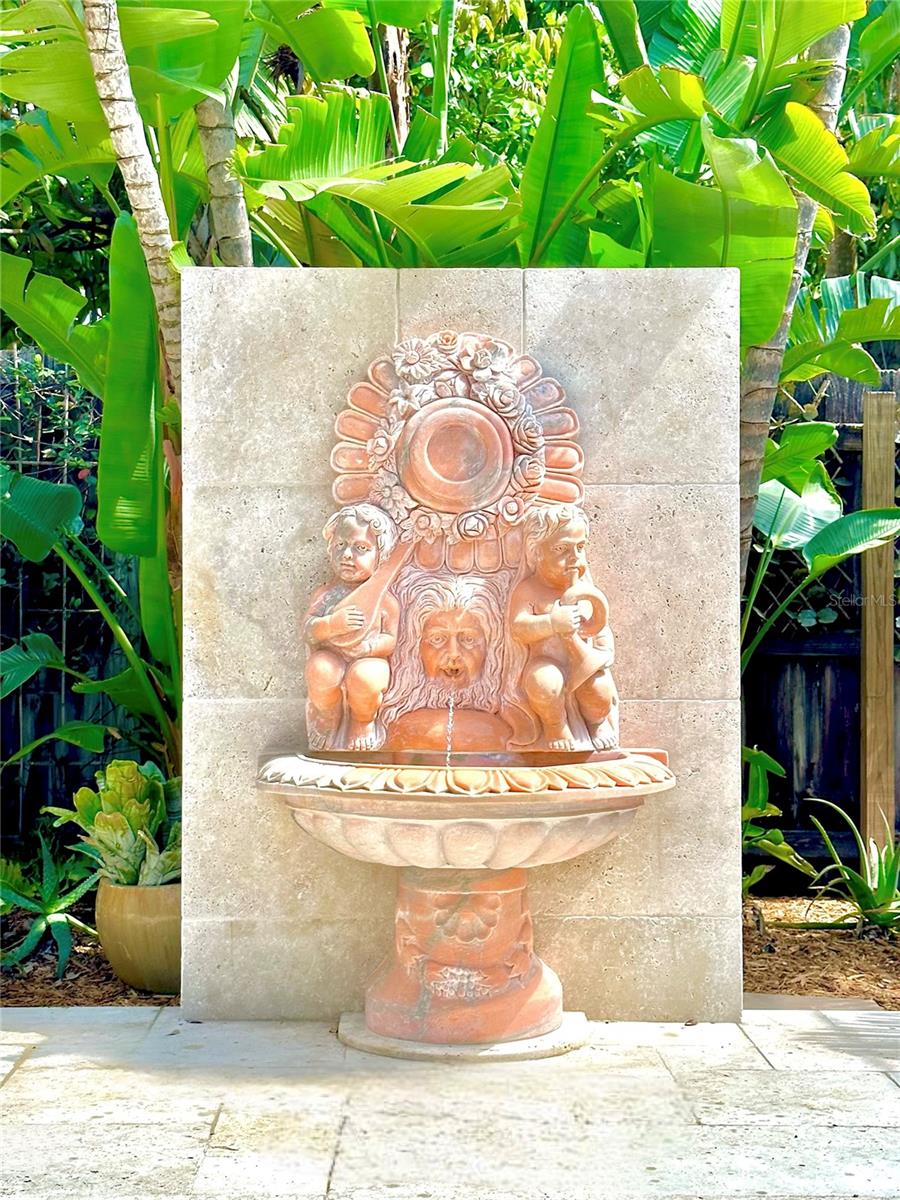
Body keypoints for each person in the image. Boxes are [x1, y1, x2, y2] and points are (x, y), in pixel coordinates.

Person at [509, 505, 618, 751]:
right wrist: (551, 623)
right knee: (544, 683)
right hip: (547, 662)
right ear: (536, 552)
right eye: (562, 549)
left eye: (580, 547)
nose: (574, 558)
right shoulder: (529, 590)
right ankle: (555, 726)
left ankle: (598, 723)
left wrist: (603, 652)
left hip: (583, 662)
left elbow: (600, 627)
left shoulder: (586, 592)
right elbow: (518, 628)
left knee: (599, 690)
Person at [303, 504, 399, 751]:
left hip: (367, 659)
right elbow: (308, 631)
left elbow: (391, 638)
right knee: (320, 669)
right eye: (340, 545)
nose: (347, 554)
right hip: (332, 655)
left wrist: (369, 647)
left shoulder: (385, 601)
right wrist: (329, 625)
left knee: (366, 677)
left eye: (361, 548)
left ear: (381, 556)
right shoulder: (326, 595)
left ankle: (362, 722)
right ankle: (326, 715)